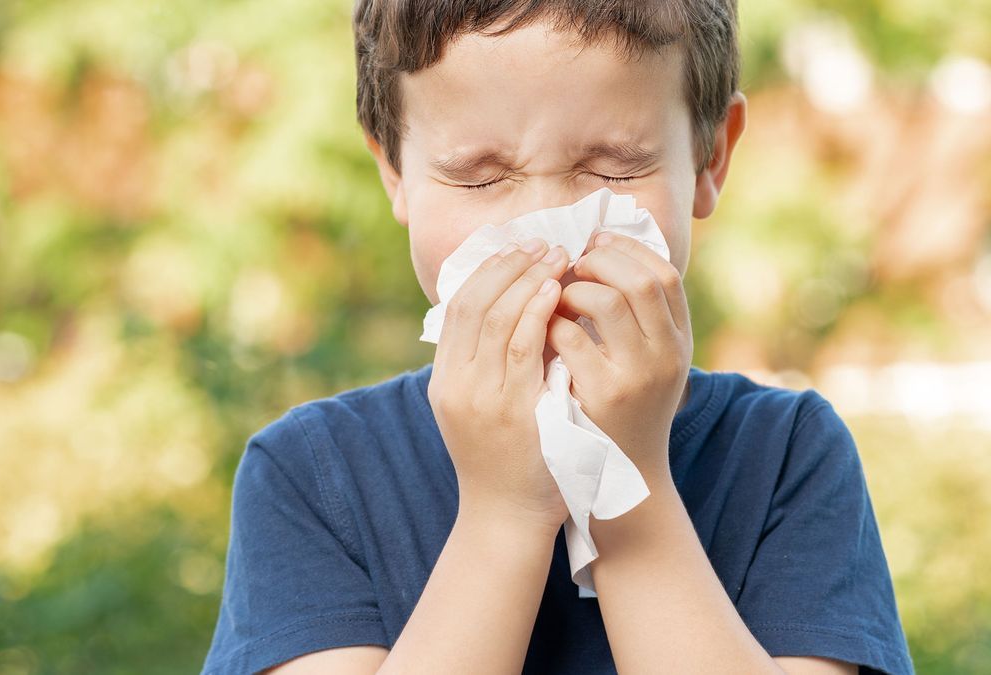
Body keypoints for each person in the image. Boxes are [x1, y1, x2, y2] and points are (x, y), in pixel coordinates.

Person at [202, 1, 915, 673]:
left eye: (614, 168)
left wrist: (625, 490)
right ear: (395, 170)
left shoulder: (787, 455)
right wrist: (501, 513)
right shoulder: (311, 476)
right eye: (478, 178)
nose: (548, 231)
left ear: (709, 156)